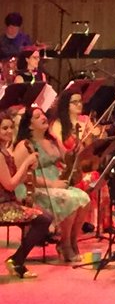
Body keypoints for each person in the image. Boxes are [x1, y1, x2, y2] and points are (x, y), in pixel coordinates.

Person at [14, 105, 89, 261]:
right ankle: (65, 244)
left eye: (43, 115)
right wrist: (52, 184)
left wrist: (77, 148)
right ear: (29, 125)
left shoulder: (52, 140)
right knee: (71, 200)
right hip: (34, 187)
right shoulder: (24, 145)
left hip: (56, 183)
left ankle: (72, 241)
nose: (43, 117)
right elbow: (23, 177)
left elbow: (67, 158)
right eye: (37, 116)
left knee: (84, 198)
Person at [0, 109, 53, 279]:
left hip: (10, 202)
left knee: (44, 217)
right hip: (2, 206)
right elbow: (9, 184)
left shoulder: (6, 151)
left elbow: (17, 179)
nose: (9, 131)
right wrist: (26, 163)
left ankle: (17, 260)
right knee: (43, 219)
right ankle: (17, 260)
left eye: (10, 127)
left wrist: (29, 168)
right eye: (4, 128)